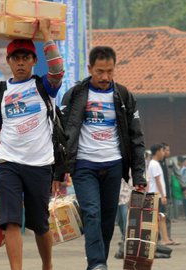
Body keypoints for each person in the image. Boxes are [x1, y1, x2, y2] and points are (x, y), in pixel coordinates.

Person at [0, 20, 64, 270]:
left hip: (39, 164)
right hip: (8, 164)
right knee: (10, 221)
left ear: (33, 61)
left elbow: (58, 71)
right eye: (15, 58)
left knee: (40, 224)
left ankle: (47, 264)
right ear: (8, 62)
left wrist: (47, 36)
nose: (20, 63)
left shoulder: (44, 86)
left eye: (25, 58)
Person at [59, 46, 147, 270]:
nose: (105, 77)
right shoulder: (75, 95)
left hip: (114, 165)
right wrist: (58, 172)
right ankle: (97, 263)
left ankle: (99, 263)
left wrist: (139, 175)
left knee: (108, 221)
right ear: (90, 69)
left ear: (114, 68)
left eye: (109, 71)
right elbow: (62, 135)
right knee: (92, 213)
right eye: (100, 71)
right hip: (84, 165)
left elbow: (136, 136)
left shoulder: (124, 96)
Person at [147, 144, 179, 245]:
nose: (163, 153)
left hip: (157, 194)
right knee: (160, 217)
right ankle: (162, 239)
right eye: (162, 150)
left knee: (162, 217)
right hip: (157, 195)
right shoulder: (154, 164)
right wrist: (163, 195)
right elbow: (157, 181)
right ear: (157, 152)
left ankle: (165, 239)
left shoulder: (155, 163)